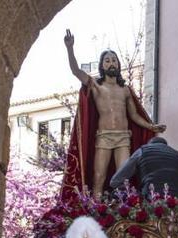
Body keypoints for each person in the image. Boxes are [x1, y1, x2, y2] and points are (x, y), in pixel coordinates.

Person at [64, 29, 166, 198]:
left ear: (118, 65)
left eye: (113, 60)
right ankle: (96, 210)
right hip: (104, 136)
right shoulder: (95, 85)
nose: (111, 63)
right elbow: (76, 71)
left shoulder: (125, 90)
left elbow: (133, 115)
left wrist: (151, 126)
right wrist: (70, 49)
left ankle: (120, 213)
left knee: (123, 178)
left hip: (123, 138)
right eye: (107, 61)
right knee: (99, 177)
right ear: (102, 65)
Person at [109, 136, 178, 200]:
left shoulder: (143, 150)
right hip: (176, 203)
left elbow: (115, 181)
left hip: (150, 199)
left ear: (150, 144)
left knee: (116, 194)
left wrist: (133, 191)